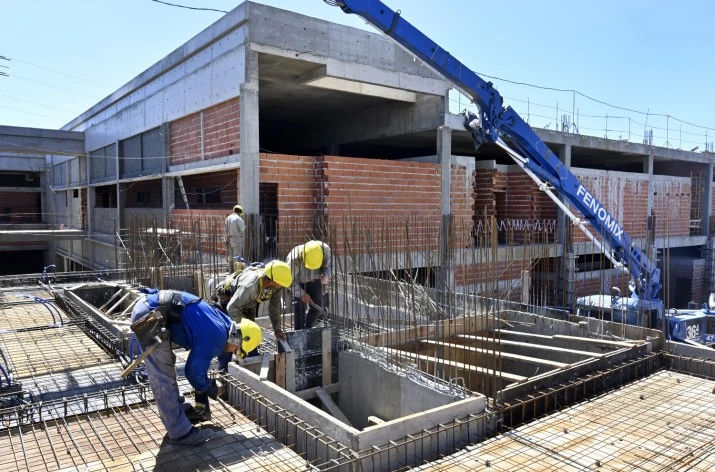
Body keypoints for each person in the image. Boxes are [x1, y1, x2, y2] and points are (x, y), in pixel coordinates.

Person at [130, 288, 262, 447]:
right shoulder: (218, 337)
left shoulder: (224, 323)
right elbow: (192, 372)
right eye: (237, 350)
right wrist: (207, 387)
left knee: (167, 366)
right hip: (150, 318)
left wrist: (203, 385)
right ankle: (180, 433)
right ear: (237, 340)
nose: (233, 353)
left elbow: (199, 365)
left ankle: (181, 410)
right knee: (162, 376)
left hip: (152, 308)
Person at [214, 260, 292, 370]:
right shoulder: (250, 286)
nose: (282, 286)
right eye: (281, 284)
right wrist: (245, 329)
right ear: (273, 281)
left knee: (251, 339)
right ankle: (224, 369)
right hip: (228, 302)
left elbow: (274, 308)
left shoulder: (276, 287)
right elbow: (232, 308)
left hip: (247, 305)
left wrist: (277, 329)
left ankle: (252, 365)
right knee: (230, 338)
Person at [286, 240, 331, 330]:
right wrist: (301, 294)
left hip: (315, 280)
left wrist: (327, 275)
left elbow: (329, 267)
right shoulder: (294, 258)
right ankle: (299, 333)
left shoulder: (325, 250)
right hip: (297, 283)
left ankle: (308, 328)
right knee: (299, 310)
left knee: (318, 306)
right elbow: (288, 280)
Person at [225, 204, 245, 272]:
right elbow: (243, 229)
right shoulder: (238, 218)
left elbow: (226, 229)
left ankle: (231, 271)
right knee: (237, 256)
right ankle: (237, 272)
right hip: (236, 239)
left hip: (228, 238)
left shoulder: (228, 218)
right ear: (239, 212)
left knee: (230, 256)